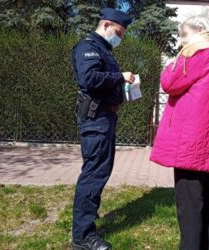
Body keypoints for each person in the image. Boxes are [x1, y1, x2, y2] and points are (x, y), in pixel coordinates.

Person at [150, 14, 209, 250]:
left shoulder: (198, 52)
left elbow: (169, 82)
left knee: (190, 211)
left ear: (200, 30)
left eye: (185, 35)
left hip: (193, 146)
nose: (182, 41)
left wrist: (171, 62)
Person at [71, 8, 134, 250]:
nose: (121, 37)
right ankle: (83, 237)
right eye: (119, 32)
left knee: (99, 172)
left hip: (104, 119)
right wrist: (119, 77)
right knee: (93, 175)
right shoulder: (87, 47)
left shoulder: (103, 50)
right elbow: (89, 79)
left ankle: (87, 223)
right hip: (96, 120)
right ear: (106, 25)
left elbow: (101, 79)